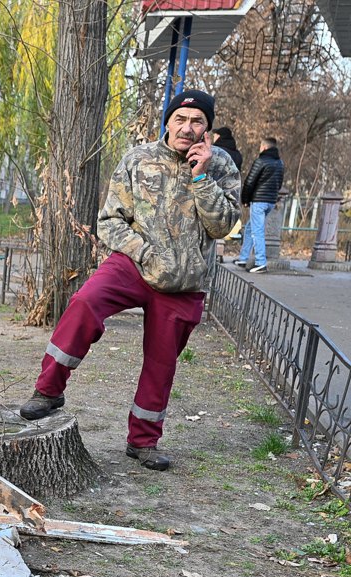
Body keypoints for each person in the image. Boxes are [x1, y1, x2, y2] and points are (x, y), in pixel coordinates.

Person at [18, 89, 240, 471]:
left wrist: (201, 177)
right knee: (86, 302)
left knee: (161, 362)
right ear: (167, 122)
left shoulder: (220, 165)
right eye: (180, 119)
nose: (187, 128)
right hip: (135, 264)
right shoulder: (139, 158)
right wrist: (143, 252)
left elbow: (222, 227)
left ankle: (143, 441)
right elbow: (109, 221)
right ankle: (48, 390)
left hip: (183, 281)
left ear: (207, 128)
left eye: (197, 121)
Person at [235, 137, 284, 274]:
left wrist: (245, 199)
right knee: (251, 228)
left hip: (258, 201)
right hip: (270, 201)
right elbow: (279, 183)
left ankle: (261, 262)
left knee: (257, 231)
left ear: (264, 147)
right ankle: (243, 258)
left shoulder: (261, 161)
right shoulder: (279, 162)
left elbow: (250, 182)